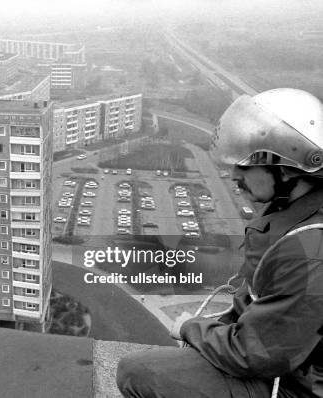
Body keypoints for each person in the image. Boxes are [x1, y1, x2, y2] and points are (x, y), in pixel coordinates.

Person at [116, 88, 323, 398]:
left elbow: (253, 354)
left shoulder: (309, 248)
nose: (234, 177)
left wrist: (191, 328)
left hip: (299, 386)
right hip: (290, 364)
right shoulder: (297, 216)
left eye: (245, 167)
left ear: (285, 170)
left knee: (138, 374)